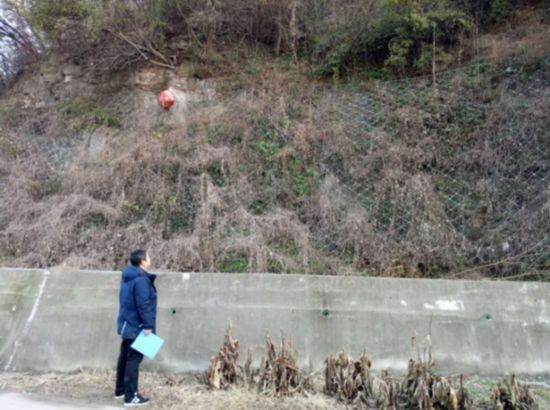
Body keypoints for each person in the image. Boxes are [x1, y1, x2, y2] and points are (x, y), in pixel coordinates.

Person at [115, 249, 157, 407]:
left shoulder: (128, 275)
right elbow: (143, 304)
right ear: (143, 261)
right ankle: (131, 396)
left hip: (127, 323)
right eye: (148, 256)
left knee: (124, 357)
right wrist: (148, 325)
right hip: (137, 326)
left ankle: (120, 390)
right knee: (134, 359)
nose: (150, 258)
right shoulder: (140, 280)